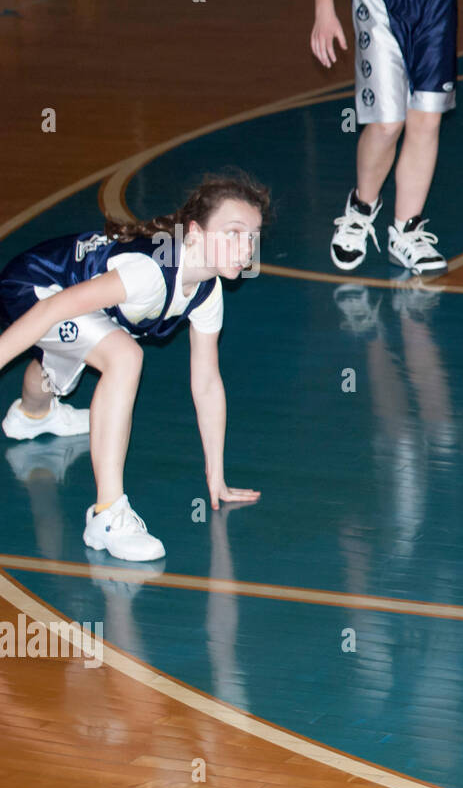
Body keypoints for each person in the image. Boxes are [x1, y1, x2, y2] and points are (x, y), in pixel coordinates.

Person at [0, 173, 268, 561]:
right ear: (194, 234)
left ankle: (32, 415)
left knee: (70, 353)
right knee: (124, 355)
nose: (245, 247)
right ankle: (107, 516)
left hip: (70, 299)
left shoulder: (208, 291)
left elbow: (207, 383)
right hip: (35, 286)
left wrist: (217, 474)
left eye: (251, 236)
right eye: (232, 232)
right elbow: (52, 309)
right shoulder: (150, 274)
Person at [310, 0, 459, 274]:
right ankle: (361, 207)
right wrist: (324, 7)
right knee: (387, 123)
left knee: (428, 118)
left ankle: (406, 230)